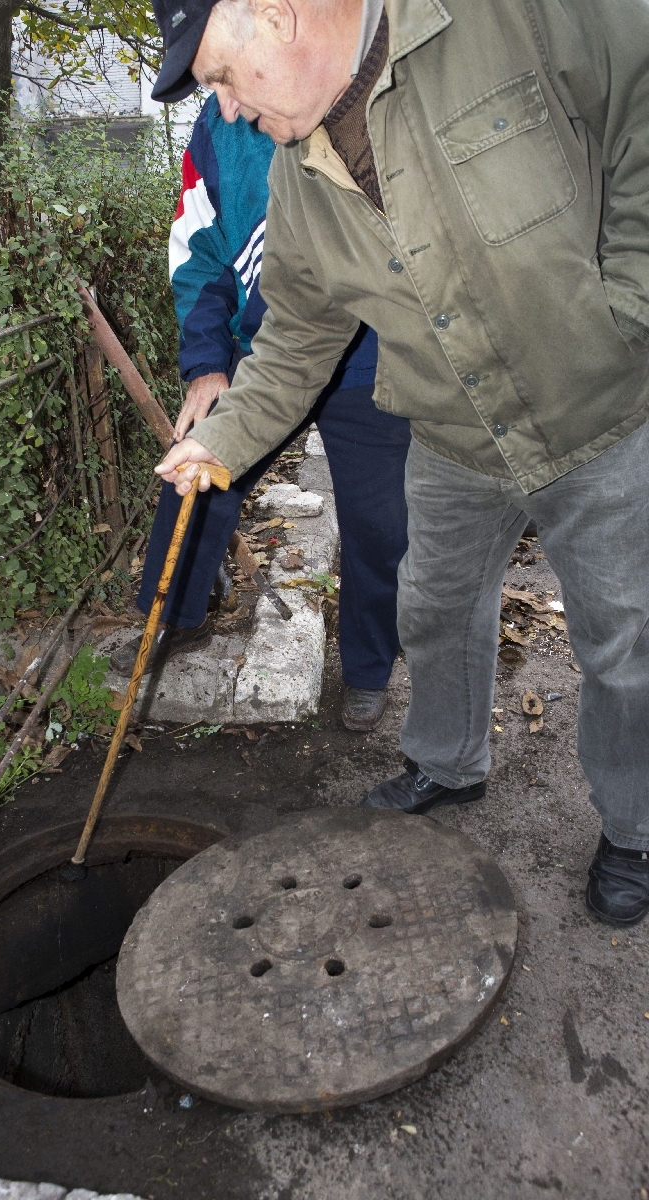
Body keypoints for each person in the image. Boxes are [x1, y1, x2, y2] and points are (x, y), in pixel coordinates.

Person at [150, 0, 649, 928]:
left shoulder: (505, 16)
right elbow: (297, 340)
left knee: (625, 643)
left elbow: (640, 97)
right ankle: (448, 765)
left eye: (220, 74)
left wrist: (632, 304)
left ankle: (637, 828)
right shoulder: (298, 178)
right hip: (452, 438)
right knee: (434, 605)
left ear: (277, 16)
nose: (220, 109)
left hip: (600, 413)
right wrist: (217, 442)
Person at [113, 90, 411, 732]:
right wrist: (205, 363)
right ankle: (171, 621)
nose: (228, 94)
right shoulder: (218, 124)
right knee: (194, 477)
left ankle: (366, 669)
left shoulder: (367, 99)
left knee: (383, 525)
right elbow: (199, 248)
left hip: (371, 359)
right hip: (262, 355)